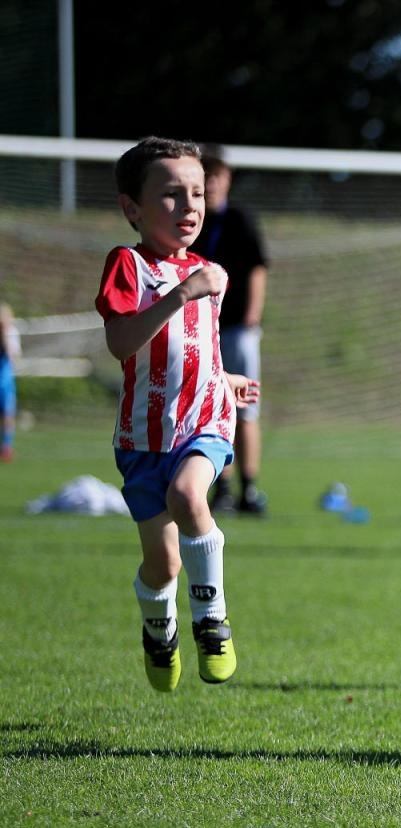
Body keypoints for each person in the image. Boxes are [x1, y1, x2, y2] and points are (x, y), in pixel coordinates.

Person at [94, 137, 260, 691]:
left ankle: (212, 621)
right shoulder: (129, 266)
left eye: (197, 193)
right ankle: (158, 630)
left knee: (190, 496)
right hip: (143, 440)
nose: (189, 205)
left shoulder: (211, 272)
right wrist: (180, 295)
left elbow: (198, 350)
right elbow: (122, 343)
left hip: (203, 424)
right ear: (132, 208)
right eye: (171, 194)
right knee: (162, 566)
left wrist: (225, 380)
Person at [197, 144, 270, 515]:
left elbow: (257, 267)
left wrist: (252, 316)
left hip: (237, 329)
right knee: (211, 408)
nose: (210, 184)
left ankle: (249, 487)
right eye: (205, 177)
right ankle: (220, 487)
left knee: (245, 407)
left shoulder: (239, 220)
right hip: (202, 330)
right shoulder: (192, 223)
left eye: (216, 177)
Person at [0, 302, 17, 462]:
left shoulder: (11, 333)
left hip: (5, 381)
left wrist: (4, 335)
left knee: (8, 414)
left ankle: (6, 446)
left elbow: (13, 355)